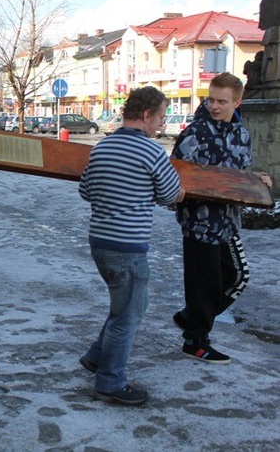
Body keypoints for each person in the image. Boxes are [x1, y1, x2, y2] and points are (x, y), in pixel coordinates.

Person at [78, 86, 185, 405]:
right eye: (161, 118)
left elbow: (86, 191)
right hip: (127, 247)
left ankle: (96, 357)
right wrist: (175, 194)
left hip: (100, 243)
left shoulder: (101, 147)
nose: (160, 125)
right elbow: (168, 194)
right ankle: (109, 382)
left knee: (128, 306)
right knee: (128, 315)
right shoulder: (152, 152)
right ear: (147, 114)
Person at [171, 72, 273, 364]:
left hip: (228, 223)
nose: (215, 106)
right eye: (211, 99)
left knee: (237, 277)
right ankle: (195, 340)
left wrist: (255, 179)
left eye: (222, 101)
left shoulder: (241, 134)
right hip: (200, 223)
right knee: (206, 284)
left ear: (237, 102)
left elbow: (236, 175)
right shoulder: (195, 132)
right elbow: (177, 174)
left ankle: (192, 317)